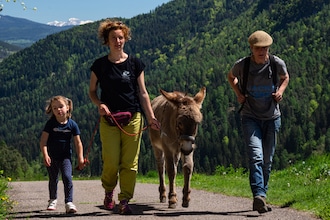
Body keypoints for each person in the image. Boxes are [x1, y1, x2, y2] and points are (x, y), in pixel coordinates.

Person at [89, 19, 160, 215]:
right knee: (111, 161)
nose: (118, 41)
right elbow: (92, 91)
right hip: (109, 119)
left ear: (125, 39)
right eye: (114, 38)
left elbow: (143, 93)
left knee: (130, 163)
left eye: (121, 37)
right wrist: (99, 104)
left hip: (133, 117)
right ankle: (109, 190)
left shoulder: (135, 64)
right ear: (107, 40)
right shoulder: (100, 65)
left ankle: (125, 199)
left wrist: (151, 117)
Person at [227, 30, 289, 213]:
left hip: (272, 117)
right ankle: (258, 195)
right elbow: (231, 77)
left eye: (265, 48)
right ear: (252, 49)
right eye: (258, 48)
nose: (262, 51)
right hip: (250, 116)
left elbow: (285, 78)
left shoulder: (276, 63)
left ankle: (262, 195)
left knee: (267, 161)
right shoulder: (243, 65)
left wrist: (280, 91)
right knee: (256, 157)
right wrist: (238, 93)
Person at [40, 95, 85, 213]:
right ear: (52, 110)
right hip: (52, 156)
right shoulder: (50, 124)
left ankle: (69, 202)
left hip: (66, 157)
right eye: (55, 108)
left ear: (68, 107)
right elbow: (43, 141)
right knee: (53, 178)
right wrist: (45, 155)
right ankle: (53, 199)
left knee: (67, 177)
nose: (58, 110)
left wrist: (80, 157)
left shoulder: (72, 125)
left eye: (61, 107)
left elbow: (78, 143)